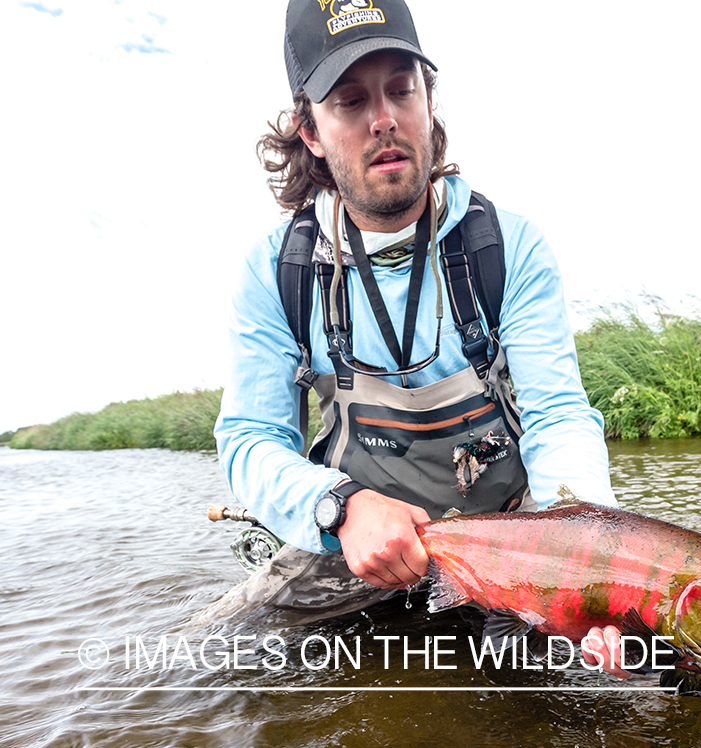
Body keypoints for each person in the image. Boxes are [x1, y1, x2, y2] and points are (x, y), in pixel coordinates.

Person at [209, 0, 628, 674]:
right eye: (349, 100)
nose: (384, 119)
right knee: (213, 661)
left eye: (402, 89)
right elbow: (249, 441)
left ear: (428, 102)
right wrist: (340, 509)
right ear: (310, 132)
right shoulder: (274, 271)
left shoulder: (508, 246)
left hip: (510, 538)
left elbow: (556, 415)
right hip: (352, 543)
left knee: (641, 672)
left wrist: (582, 551)